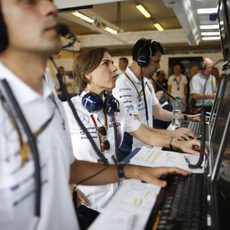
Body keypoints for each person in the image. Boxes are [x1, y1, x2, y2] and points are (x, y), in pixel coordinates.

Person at [0, 1, 196, 229]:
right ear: (87, 75)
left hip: (107, 201)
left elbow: (69, 167)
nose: (50, 7)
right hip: (89, 205)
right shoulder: (67, 108)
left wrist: (138, 169)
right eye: (29, 2)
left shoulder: (51, 100)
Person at [63, 47, 202, 211]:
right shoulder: (67, 111)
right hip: (86, 202)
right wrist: (66, 185)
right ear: (88, 74)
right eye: (106, 64)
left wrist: (178, 143)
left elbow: (146, 135)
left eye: (112, 63)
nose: (114, 68)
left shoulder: (116, 107)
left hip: (117, 193)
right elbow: (50, 158)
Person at [113, 38, 199, 153]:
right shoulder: (124, 85)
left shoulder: (146, 82)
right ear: (142, 60)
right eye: (156, 61)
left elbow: (159, 113)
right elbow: (137, 127)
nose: (158, 66)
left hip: (148, 145)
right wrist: (171, 134)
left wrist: (187, 117)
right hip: (132, 150)